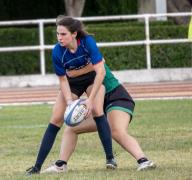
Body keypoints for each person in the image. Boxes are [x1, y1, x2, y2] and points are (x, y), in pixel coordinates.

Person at [26, 15, 116, 175]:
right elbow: (62, 79)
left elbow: (100, 72)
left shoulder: (88, 42)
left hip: (92, 80)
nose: (59, 38)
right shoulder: (57, 52)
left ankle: (110, 159)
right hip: (72, 83)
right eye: (57, 34)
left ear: (74, 34)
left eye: (63, 34)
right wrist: (69, 101)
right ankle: (37, 167)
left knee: (96, 109)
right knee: (55, 119)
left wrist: (89, 99)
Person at [41, 50, 157, 173]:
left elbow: (99, 63)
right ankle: (61, 165)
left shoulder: (87, 56)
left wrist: (72, 72)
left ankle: (143, 160)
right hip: (98, 105)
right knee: (71, 127)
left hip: (116, 98)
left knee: (115, 130)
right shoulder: (73, 63)